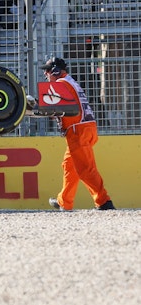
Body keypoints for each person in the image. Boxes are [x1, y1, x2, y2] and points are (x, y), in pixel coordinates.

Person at [43, 57, 114, 211]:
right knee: (69, 165)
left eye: (47, 71)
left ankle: (104, 202)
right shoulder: (70, 82)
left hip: (77, 131)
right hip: (86, 127)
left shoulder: (60, 84)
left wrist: (35, 106)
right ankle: (64, 202)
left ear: (55, 71)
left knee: (86, 169)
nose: (45, 74)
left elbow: (51, 109)